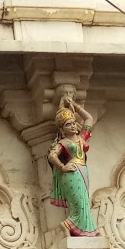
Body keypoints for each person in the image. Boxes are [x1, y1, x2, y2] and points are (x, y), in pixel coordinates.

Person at [46, 95, 98, 237]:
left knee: (84, 202)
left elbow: (89, 119)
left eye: (74, 123)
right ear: (62, 130)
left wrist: (75, 105)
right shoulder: (63, 143)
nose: (73, 126)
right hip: (72, 173)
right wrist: (62, 167)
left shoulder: (81, 139)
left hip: (83, 171)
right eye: (68, 124)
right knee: (78, 202)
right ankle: (68, 224)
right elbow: (52, 156)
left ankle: (83, 229)